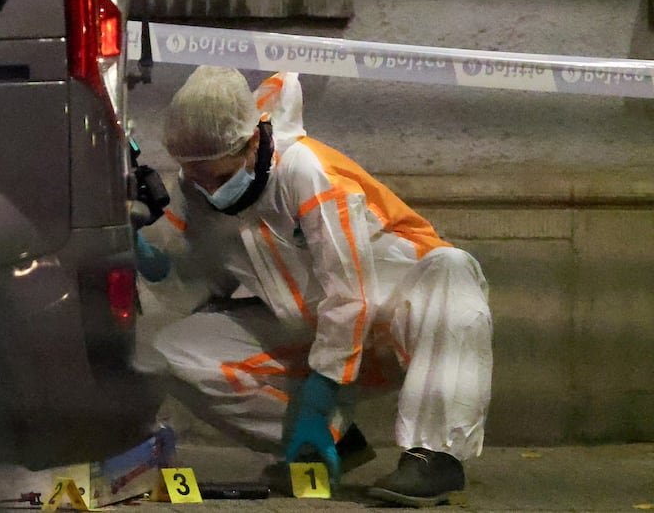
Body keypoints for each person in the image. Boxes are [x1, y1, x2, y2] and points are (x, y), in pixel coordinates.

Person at [142, 66, 492, 507]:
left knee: (452, 269)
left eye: (217, 176)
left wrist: (318, 397)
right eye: (196, 177)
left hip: (393, 326)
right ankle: (328, 445)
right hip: (307, 327)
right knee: (170, 350)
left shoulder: (306, 171)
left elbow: (350, 293)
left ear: (252, 143)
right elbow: (203, 287)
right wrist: (154, 262)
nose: (208, 190)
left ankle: (435, 456)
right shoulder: (195, 189)